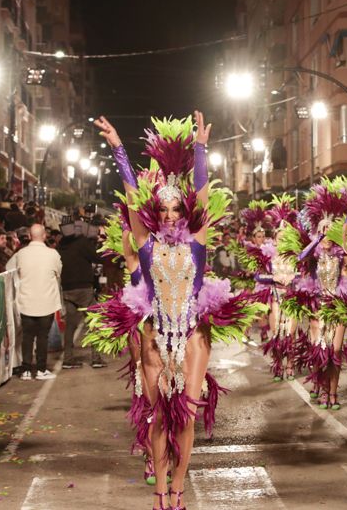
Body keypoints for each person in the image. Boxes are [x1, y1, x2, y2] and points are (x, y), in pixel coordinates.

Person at [96, 112, 264, 510]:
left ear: (184, 212)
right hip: (155, 334)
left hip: (191, 333)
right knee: (158, 416)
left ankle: (178, 487)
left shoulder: (197, 244)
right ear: (158, 213)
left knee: (185, 415)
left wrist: (201, 148)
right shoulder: (146, 246)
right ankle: (158, 491)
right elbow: (133, 195)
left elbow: (202, 193)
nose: (171, 215)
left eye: (176, 209)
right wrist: (118, 148)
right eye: (165, 209)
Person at [6, 224, 62, 381]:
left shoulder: (21, 254)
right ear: (44, 236)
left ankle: (25, 369)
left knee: (27, 337)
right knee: (43, 337)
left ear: (29, 236)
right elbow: (58, 272)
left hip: (26, 302)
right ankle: (41, 369)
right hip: (46, 301)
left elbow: (9, 269)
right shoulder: (53, 254)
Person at [58, 218, 106, 369]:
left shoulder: (61, 245)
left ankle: (68, 358)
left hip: (67, 289)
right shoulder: (82, 242)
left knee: (70, 326)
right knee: (94, 323)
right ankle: (96, 358)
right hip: (83, 288)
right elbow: (98, 257)